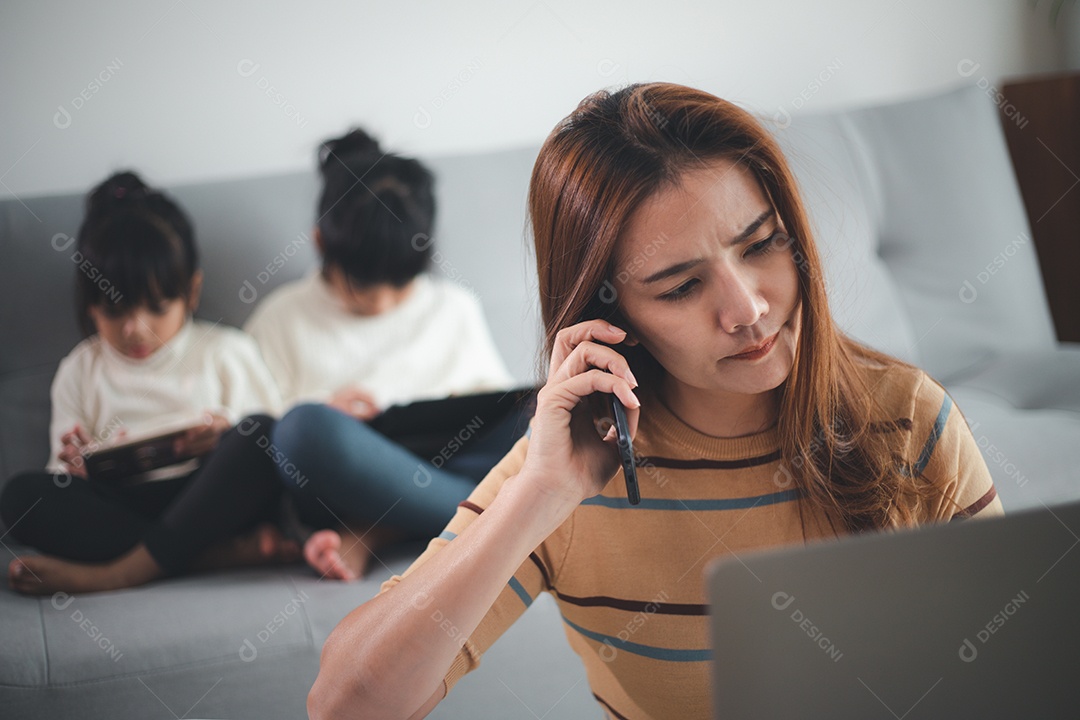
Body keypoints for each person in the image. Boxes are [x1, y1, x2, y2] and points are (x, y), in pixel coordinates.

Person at [306, 83, 1004, 719]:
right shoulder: (563, 474)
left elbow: (1012, 673)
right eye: (679, 287)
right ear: (610, 318)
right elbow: (347, 706)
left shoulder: (910, 418)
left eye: (762, 244)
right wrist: (542, 495)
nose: (748, 308)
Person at [244, 128, 520, 581]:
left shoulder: (454, 305)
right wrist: (325, 411)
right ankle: (492, 515)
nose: (384, 302)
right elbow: (253, 438)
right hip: (352, 478)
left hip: (449, 460)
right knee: (300, 432)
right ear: (320, 243)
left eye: (402, 284)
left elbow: (496, 401)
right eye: (365, 286)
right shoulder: (282, 317)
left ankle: (380, 530)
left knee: (546, 408)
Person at [0, 172, 295, 595]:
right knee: (21, 497)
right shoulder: (81, 370)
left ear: (191, 292)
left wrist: (222, 436)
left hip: (204, 499)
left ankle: (118, 573)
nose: (136, 329)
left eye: (156, 307)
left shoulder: (226, 352)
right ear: (90, 304)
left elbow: (275, 457)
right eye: (115, 310)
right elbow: (58, 472)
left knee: (258, 433)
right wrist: (75, 468)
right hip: (123, 504)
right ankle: (212, 556)